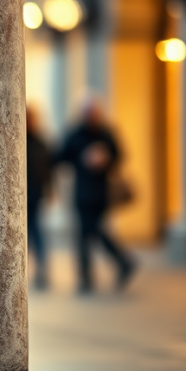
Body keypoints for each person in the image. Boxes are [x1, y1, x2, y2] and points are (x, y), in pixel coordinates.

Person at [54, 98, 136, 293]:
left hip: (101, 193)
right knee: (86, 233)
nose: (92, 116)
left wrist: (105, 158)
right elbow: (60, 156)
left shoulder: (106, 133)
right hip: (82, 193)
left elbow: (120, 155)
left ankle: (117, 263)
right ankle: (95, 273)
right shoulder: (75, 134)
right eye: (89, 113)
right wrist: (82, 158)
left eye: (95, 113)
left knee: (93, 231)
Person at [26, 105, 53, 289]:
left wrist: (50, 190)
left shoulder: (41, 142)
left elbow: (48, 169)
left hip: (35, 194)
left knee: (35, 231)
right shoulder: (17, 139)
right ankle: (24, 270)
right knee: (27, 233)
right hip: (22, 196)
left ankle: (42, 270)